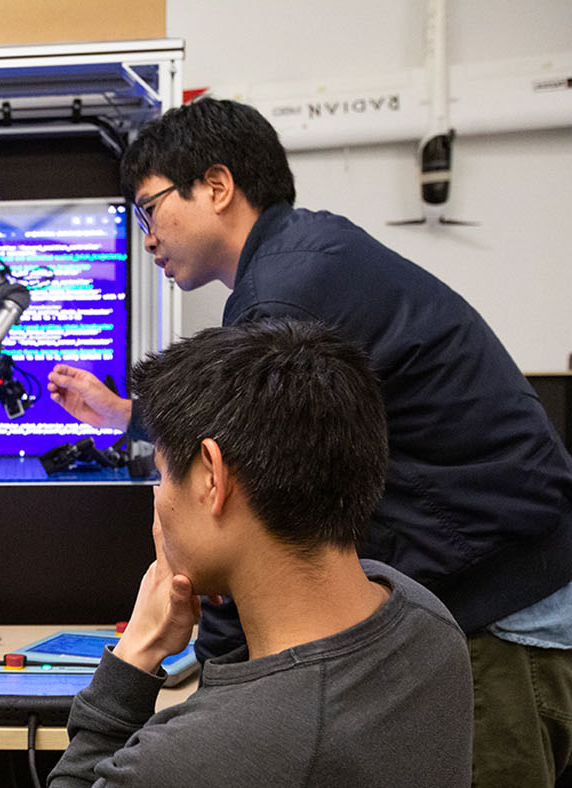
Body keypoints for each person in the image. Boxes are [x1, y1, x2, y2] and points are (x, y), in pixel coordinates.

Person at [47, 98, 572, 787]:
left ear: (216, 186)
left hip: (500, 620)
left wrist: (221, 709)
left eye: (149, 209)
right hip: (505, 590)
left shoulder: (282, 298)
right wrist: (123, 416)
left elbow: (252, 502)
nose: (145, 237)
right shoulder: (308, 259)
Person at [47, 318, 473, 788]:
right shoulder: (426, 621)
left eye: (163, 474)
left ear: (212, 477)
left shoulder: (194, 758)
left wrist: (136, 653)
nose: (159, 498)